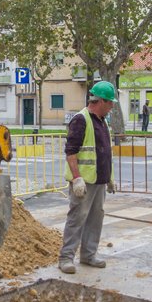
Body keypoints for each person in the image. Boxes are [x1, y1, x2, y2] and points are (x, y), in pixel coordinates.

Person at [59, 81, 116, 274]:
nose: (112, 107)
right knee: (77, 218)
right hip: (84, 182)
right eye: (110, 103)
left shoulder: (102, 120)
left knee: (95, 219)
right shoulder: (80, 120)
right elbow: (71, 152)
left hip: (99, 180)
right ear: (99, 101)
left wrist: (109, 178)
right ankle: (66, 258)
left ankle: (88, 255)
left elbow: (104, 152)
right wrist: (76, 179)